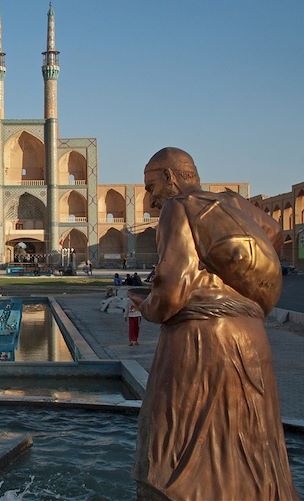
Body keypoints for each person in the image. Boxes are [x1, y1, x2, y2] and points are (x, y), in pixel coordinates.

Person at [129, 147, 296, 499]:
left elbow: (172, 289)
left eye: (151, 186)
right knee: (250, 444)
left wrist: (147, 308)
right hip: (250, 339)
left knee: (175, 450)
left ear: (170, 177)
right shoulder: (232, 205)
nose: (150, 199)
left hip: (201, 342)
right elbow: (275, 233)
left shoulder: (179, 208)